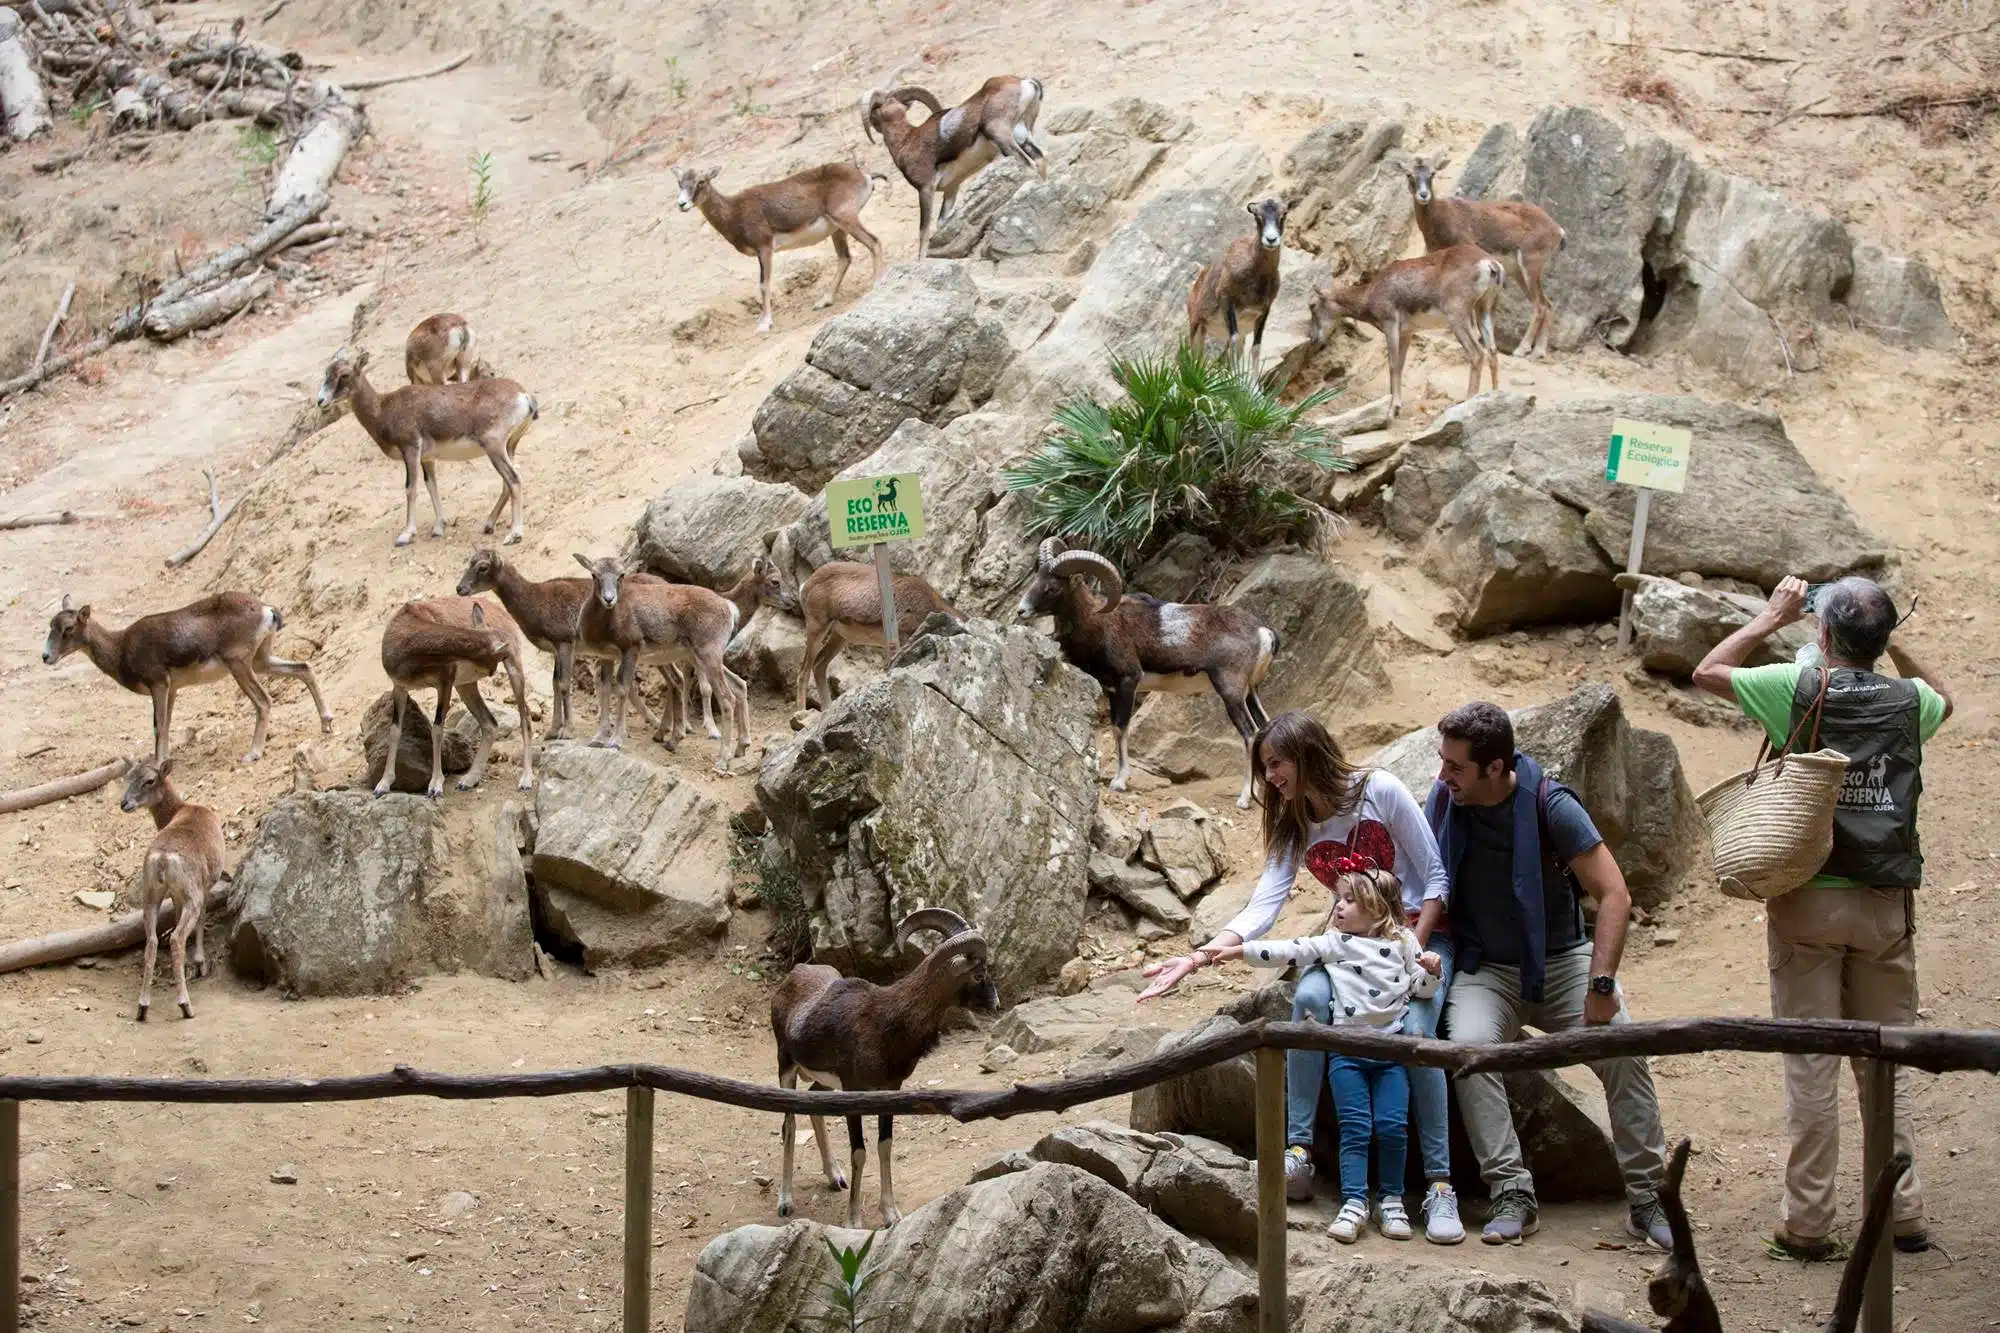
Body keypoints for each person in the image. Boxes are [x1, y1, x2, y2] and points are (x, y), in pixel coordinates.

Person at [1693, 575, 1951, 1259]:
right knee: (1886, 1063)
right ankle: (1903, 1210)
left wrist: (1768, 616)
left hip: (1807, 895)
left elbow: (1708, 669)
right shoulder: (1909, 702)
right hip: (1884, 902)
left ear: (1824, 634)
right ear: (1880, 639)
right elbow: (1945, 698)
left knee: (1811, 1064)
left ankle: (1808, 1223)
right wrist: (1898, 643)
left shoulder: (1798, 688)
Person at [1137, 710, 1465, 1244]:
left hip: (1416, 938)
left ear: (1307, 754)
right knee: (1309, 1000)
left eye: (1276, 763)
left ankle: (1438, 1184)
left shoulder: (1378, 790)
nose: (1270, 777)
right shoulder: (1294, 821)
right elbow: (1265, 903)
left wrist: (1406, 956)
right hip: (1349, 945)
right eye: (1264, 767)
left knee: (1418, 1035)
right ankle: (1299, 1150)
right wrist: (1200, 956)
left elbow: (1435, 877)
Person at [1428, 700, 1672, 1249]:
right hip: (1484, 967)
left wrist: (1602, 984)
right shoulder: (1445, 802)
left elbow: (1615, 894)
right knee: (1469, 1051)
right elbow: (1427, 880)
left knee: (1623, 1051)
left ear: (1495, 767)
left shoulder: (1550, 803)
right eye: (1443, 763)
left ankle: (1648, 1196)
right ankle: (1512, 1191)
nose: (1444, 777)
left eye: (1455, 767)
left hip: (1563, 961)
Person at [1208, 857, 1441, 1243]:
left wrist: (1432, 971)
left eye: (1349, 900)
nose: (1338, 907)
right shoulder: (1335, 943)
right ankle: (1353, 1203)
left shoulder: (1403, 942)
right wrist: (1239, 951)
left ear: (1376, 908)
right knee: (1356, 1128)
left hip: (1392, 1055)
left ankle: (1392, 1200)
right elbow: (1289, 950)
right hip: (1346, 1054)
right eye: (1339, 898)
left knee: (1392, 1127)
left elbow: (1420, 989)